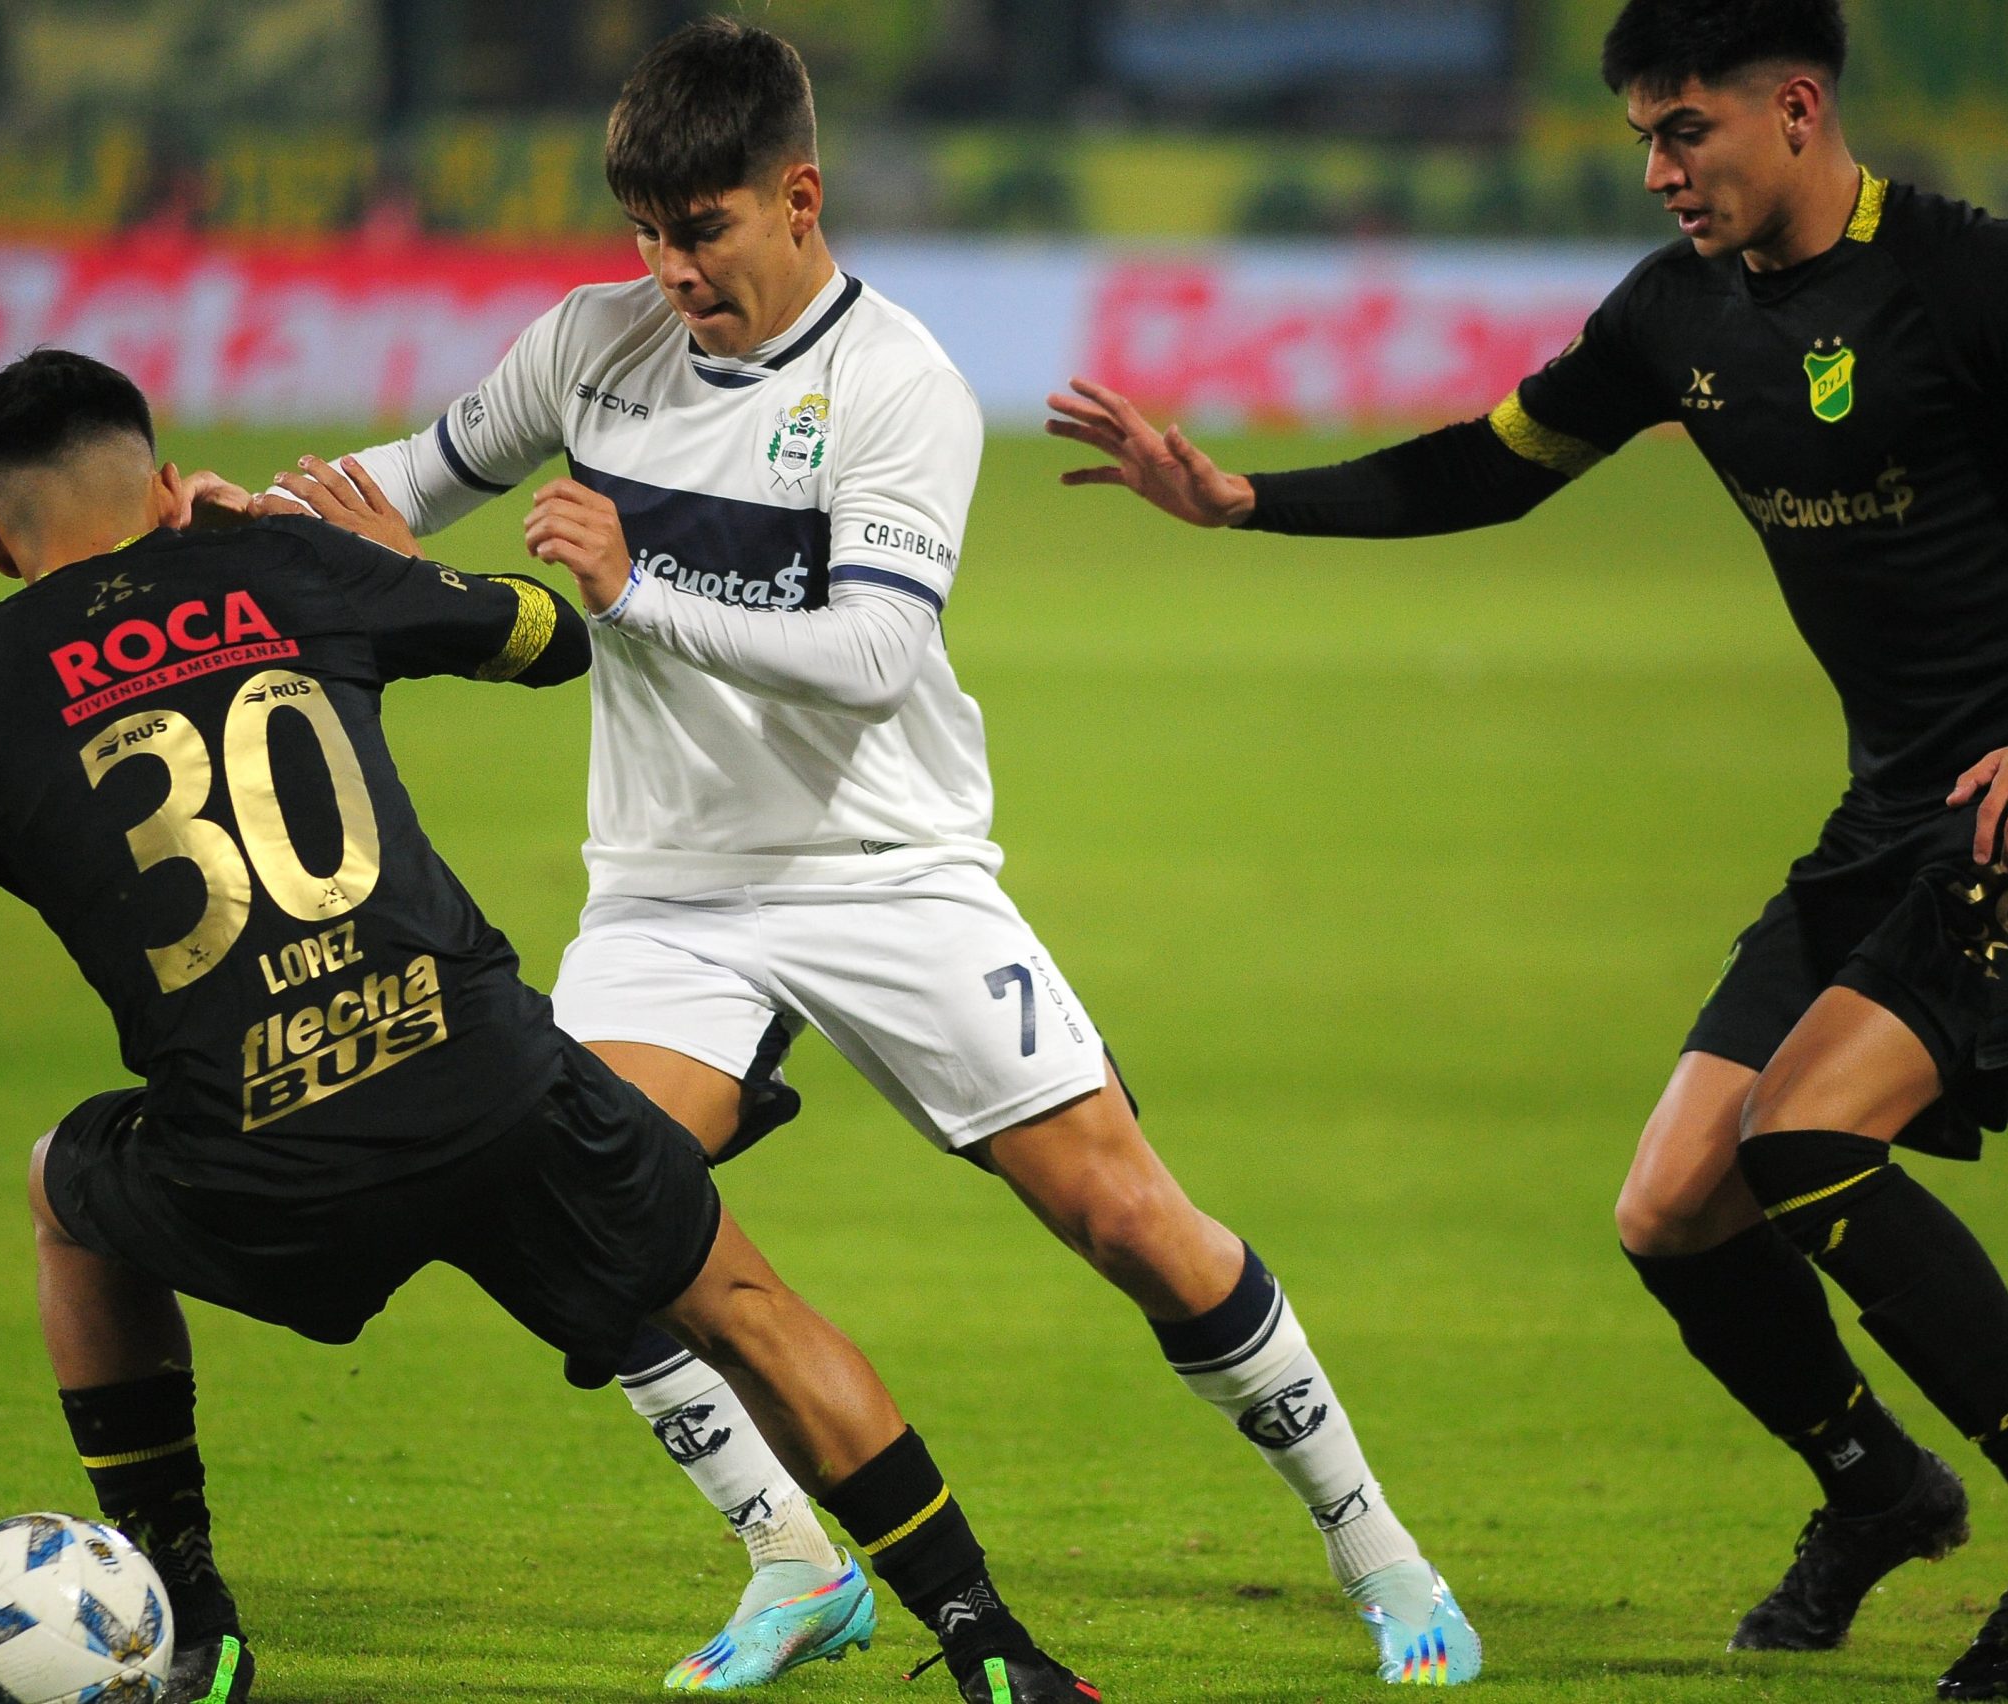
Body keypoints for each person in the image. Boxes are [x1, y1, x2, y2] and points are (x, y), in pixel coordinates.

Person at [199, 17, 1482, 1691]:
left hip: (887, 866)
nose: (669, 270)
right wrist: (231, 530)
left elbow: (875, 657)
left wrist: (631, 590)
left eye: (705, 229)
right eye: (645, 233)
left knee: (1126, 1221)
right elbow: (403, 486)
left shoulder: (898, 385)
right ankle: (794, 1563)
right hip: (670, 888)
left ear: (798, 195)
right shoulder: (588, 344)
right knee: (587, 1220)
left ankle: (1375, 1546)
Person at [1044, 1, 2008, 1697]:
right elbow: (1493, 466)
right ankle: (1875, 1488)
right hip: (1890, 815)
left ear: (1797, 106)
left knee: (1813, 1140)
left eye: (1686, 127)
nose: (1660, 167)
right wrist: (1247, 500)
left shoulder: (1977, 278)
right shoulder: (1674, 316)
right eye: (1641, 135)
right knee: (1673, 1208)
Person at [0, 350, 1095, 1704]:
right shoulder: (284, 569)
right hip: (485, 1077)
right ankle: (992, 1646)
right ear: (162, 488)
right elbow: (551, 640)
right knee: (744, 1305)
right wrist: (354, 550)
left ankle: (191, 1610)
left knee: (65, 1191)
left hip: (267, 1148)